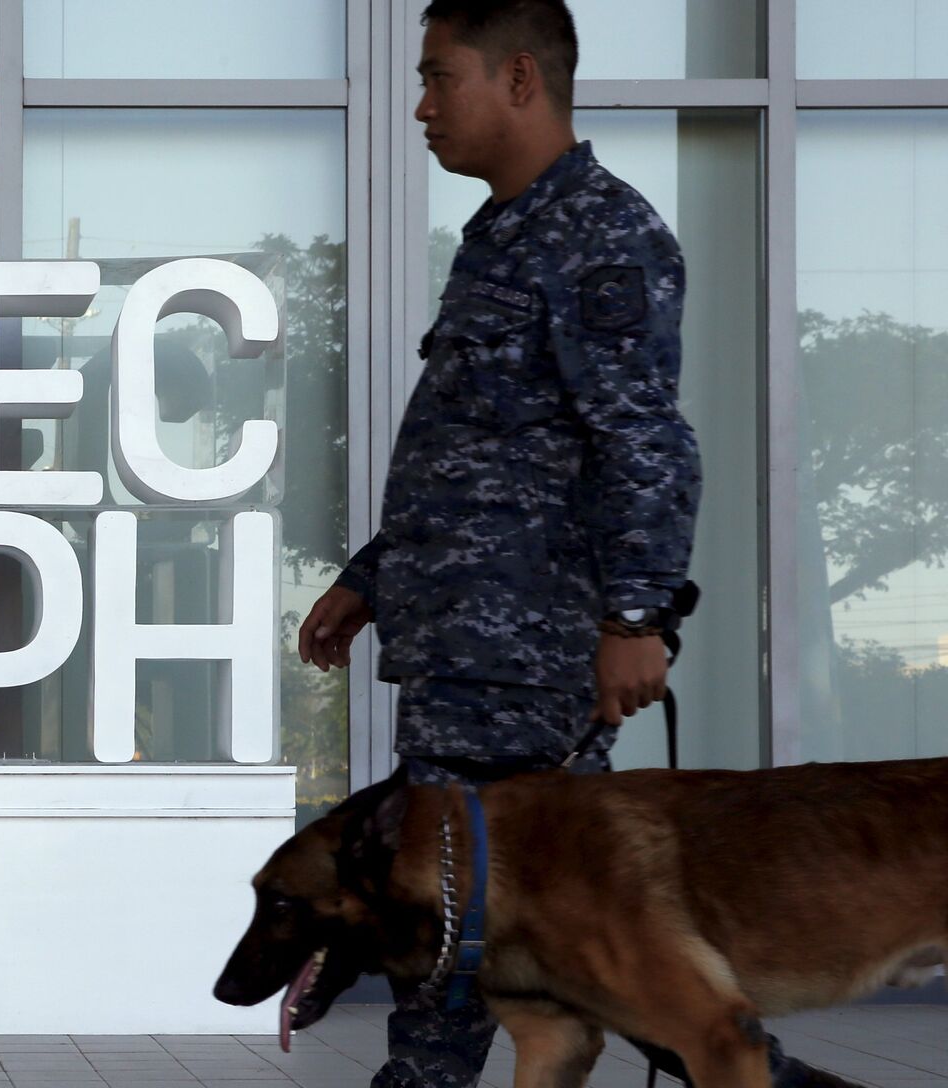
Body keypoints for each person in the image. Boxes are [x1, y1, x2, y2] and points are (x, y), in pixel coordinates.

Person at [298, 2, 848, 1085]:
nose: (420, 106)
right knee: (524, 924)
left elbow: (644, 439)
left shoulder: (600, 235)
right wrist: (372, 576)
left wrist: (636, 616)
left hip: (528, 660)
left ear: (518, 79)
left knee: (472, 904)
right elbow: (479, 449)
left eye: (438, 77)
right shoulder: (504, 235)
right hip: (466, 651)